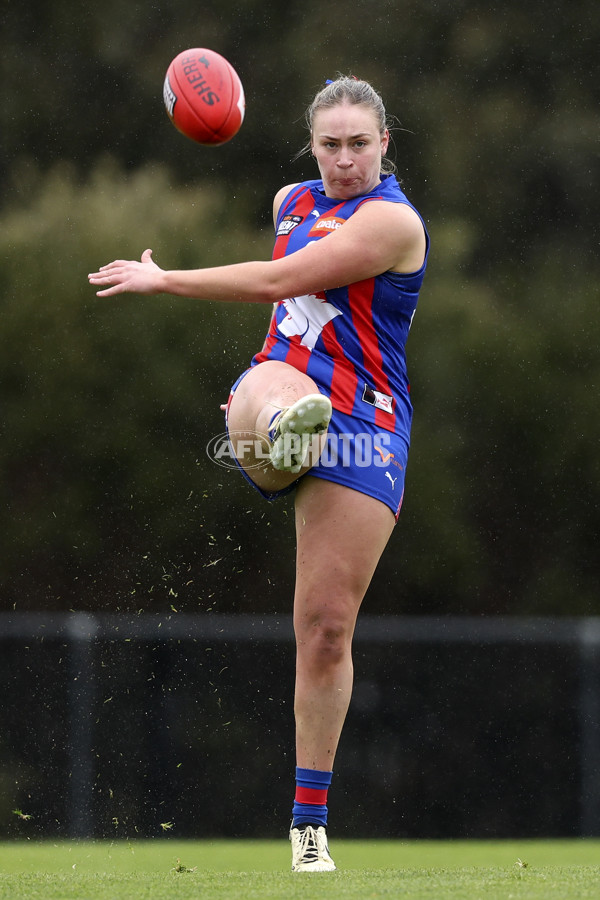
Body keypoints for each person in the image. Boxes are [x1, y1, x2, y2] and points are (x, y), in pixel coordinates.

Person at [89, 75, 429, 872]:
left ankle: (308, 825)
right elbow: (284, 317)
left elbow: (282, 282)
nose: (344, 159)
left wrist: (165, 278)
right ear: (311, 146)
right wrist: (265, 393)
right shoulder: (290, 199)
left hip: (367, 429)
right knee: (280, 385)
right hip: (288, 385)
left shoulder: (391, 222)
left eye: (359, 143)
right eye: (330, 144)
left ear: (386, 144)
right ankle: (275, 428)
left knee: (325, 629)